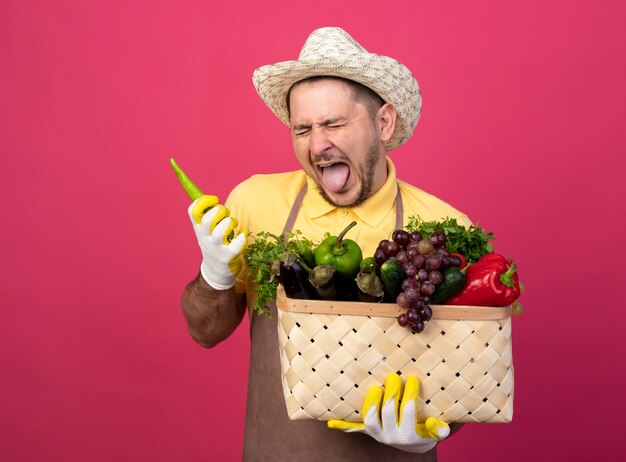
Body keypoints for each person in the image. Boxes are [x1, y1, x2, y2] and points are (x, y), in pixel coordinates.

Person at [181, 27, 472, 461]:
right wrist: (214, 273)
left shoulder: (443, 226)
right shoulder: (254, 201)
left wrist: (433, 434)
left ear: (384, 122)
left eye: (335, 123)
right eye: (303, 129)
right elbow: (206, 332)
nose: (318, 145)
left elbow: (469, 365)